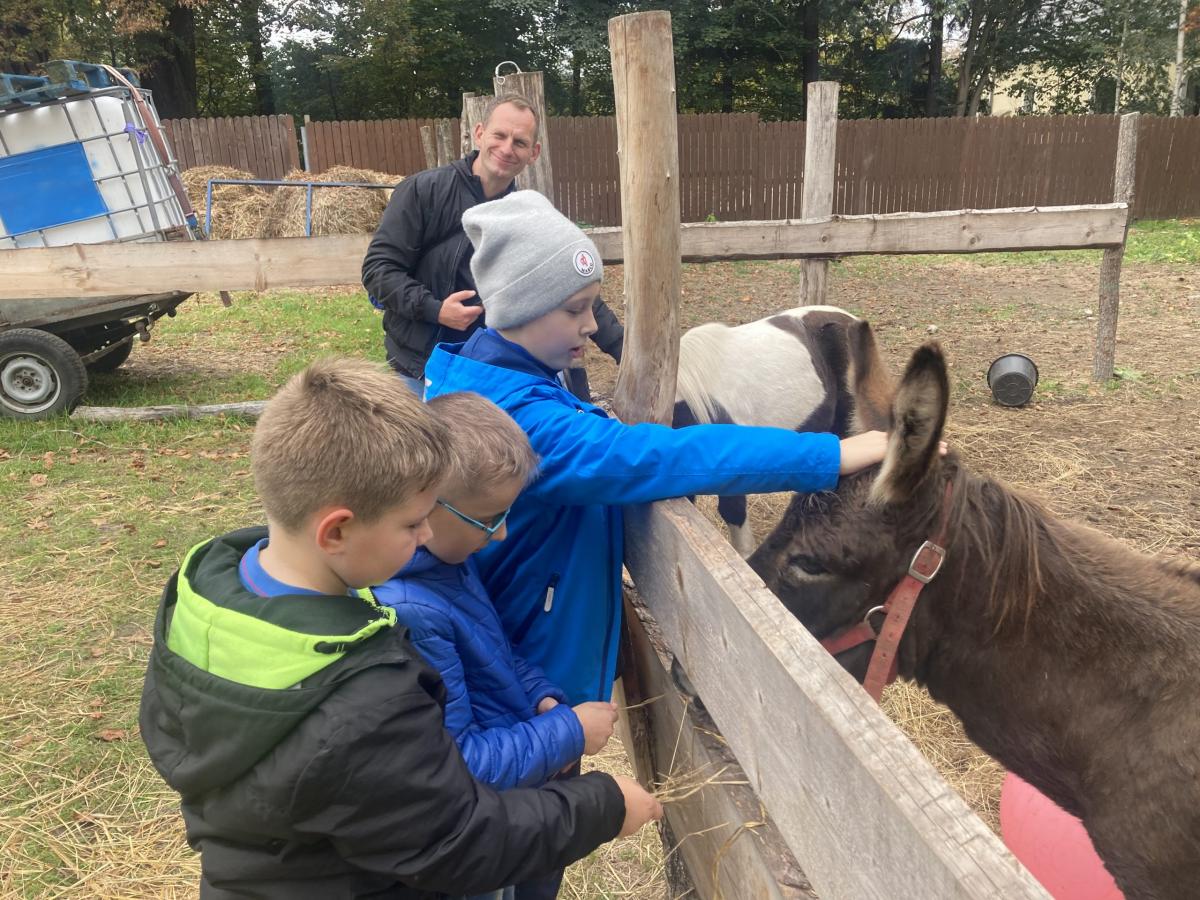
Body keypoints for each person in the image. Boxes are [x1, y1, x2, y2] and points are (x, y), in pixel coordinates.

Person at [138, 357, 662, 900]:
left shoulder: (206, 595)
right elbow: (455, 841)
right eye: (413, 523)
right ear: (336, 532)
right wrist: (603, 806)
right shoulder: (368, 698)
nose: (426, 535)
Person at [422, 190, 895, 707]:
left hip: (523, 652)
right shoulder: (523, 425)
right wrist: (829, 456)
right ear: (521, 308)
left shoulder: (483, 374)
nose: (591, 325)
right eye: (575, 309)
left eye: (593, 306)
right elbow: (666, 456)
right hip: (535, 678)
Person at [375, 391, 618, 900]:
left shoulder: (449, 565)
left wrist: (540, 696)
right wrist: (569, 732)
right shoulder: (413, 612)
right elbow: (460, 766)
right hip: (478, 828)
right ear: (427, 506)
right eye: (489, 518)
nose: (502, 533)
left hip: (505, 797)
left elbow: (494, 650)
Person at [361, 95, 623, 398]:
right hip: (420, 365)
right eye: (500, 135)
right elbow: (379, 270)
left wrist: (623, 349)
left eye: (520, 142)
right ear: (479, 133)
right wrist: (436, 309)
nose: (507, 148)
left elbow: (571, 287)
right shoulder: (423, 191)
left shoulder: (528, 214)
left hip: (490, 369)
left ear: (534, 153)